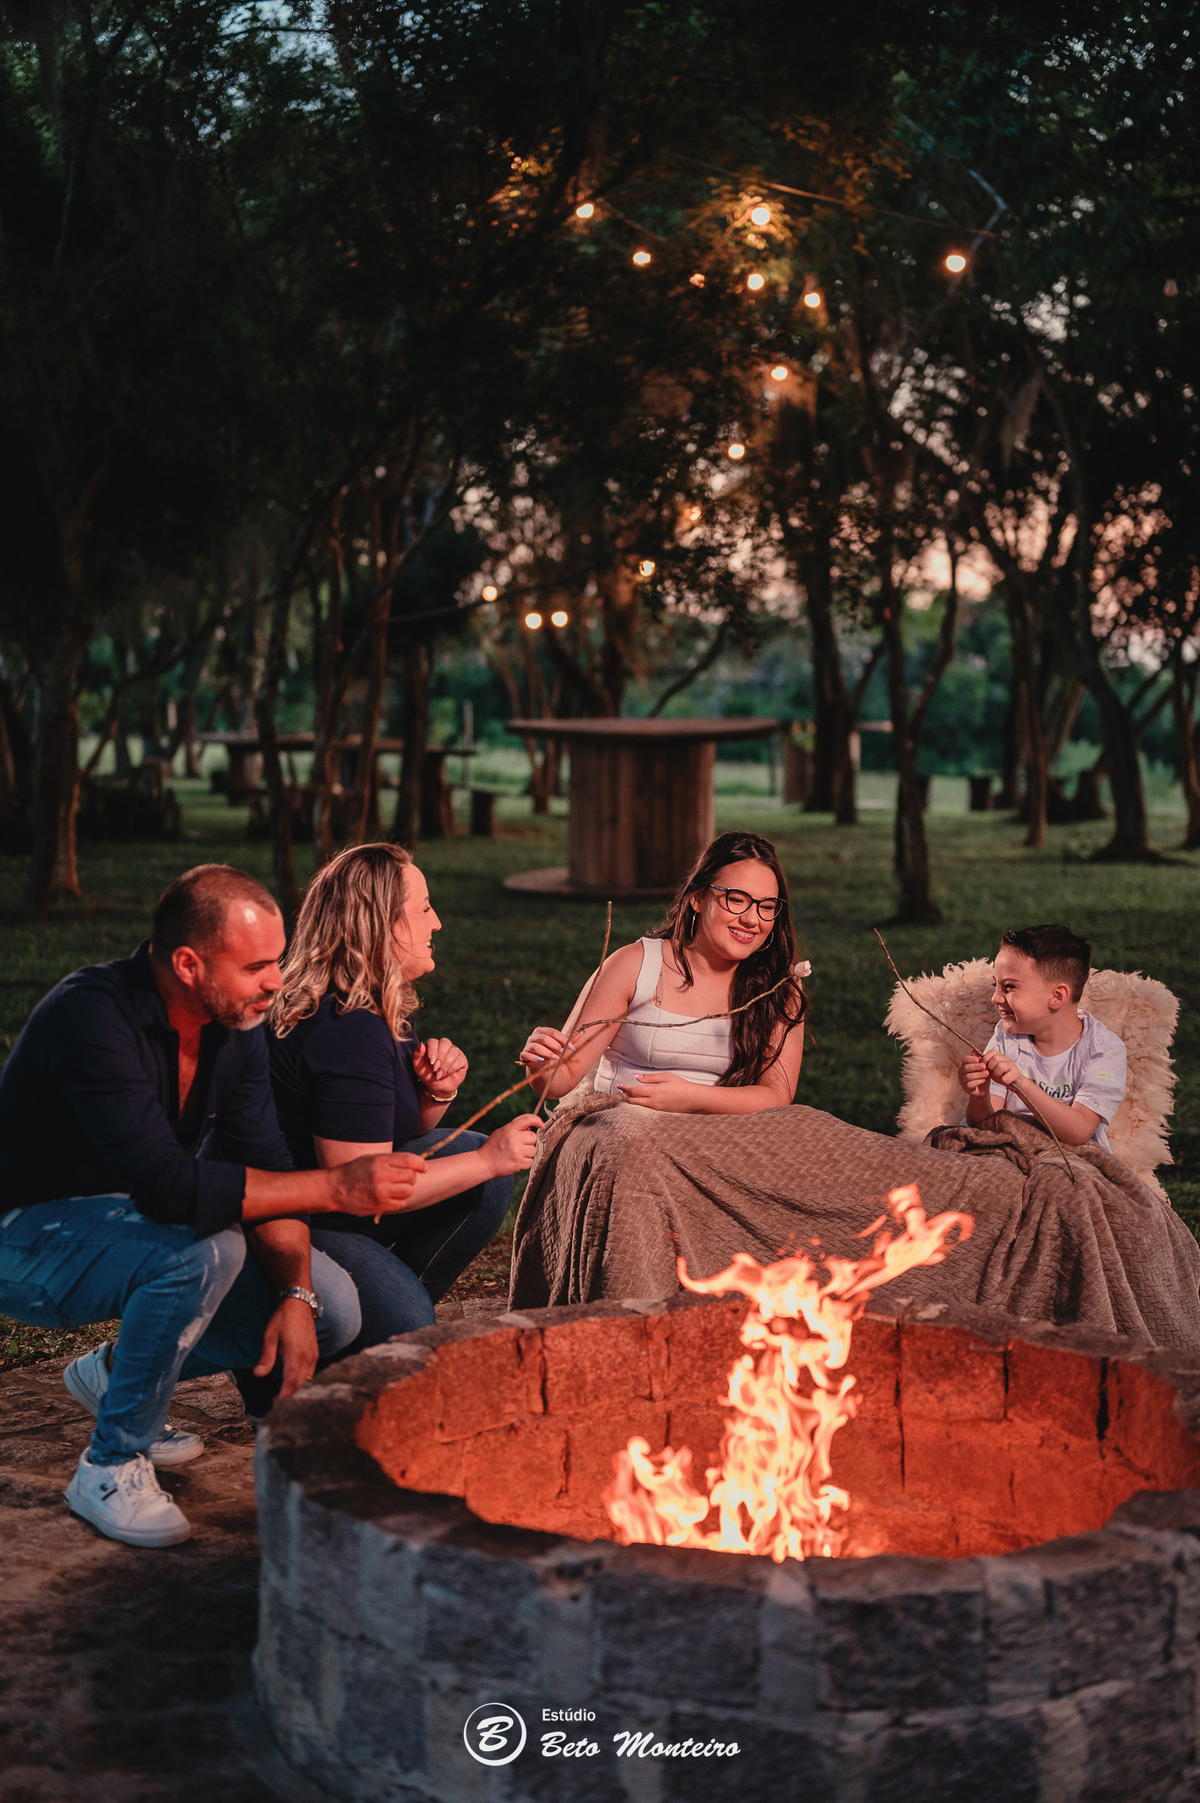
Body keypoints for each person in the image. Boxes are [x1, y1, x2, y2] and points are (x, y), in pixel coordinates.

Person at [0, 864, 429, 1550]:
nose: (277, 980)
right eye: (258, 964)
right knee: (210, 1249)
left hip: (126, 1220)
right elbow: (170, 1186)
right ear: (188, 963)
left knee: (335, 1304)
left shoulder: (236, 1025)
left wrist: (296, 1291)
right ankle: (108, 1464)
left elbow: (265, 1162)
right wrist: (339, 1187)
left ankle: (116, 1375)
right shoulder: (92, 1016)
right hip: (23, 1237)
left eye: (279, 960)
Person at [268, 842, 540, 1343]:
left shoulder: (373, 998)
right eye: (424, 909)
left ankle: (375, 1321)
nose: (435, 923)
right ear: (387, 925)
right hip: (285, 1217)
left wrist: (436, 1094)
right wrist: (490, 1160)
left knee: (480, 1172)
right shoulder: (347, 1029)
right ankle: (373, 1327)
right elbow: (361, 1187)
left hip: (335, 1198)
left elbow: (389, 1133)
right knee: (407, 1315)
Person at [519, 831, 808, 1114]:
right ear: (697, 898)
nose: (751, 919)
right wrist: (542, 1064)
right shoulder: (634, 966)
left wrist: (692, 1097)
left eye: (767, 906)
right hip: (623, 1128)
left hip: (721, 1137)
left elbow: (776, 1095)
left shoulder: (779, 987)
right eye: (736, 899)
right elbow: (560, 1080)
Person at [958, 925, 1126, 1148]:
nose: (995, 998)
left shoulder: (1103, 1049)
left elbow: (1079, 1131)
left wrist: (1020, 1083)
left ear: (1057, 996)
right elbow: (985, 1126)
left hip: (1065, 1159)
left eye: (1009, 987)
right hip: (1005, 1150)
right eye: (995, 985)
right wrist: (978, 1096)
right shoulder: (1006, 1038)